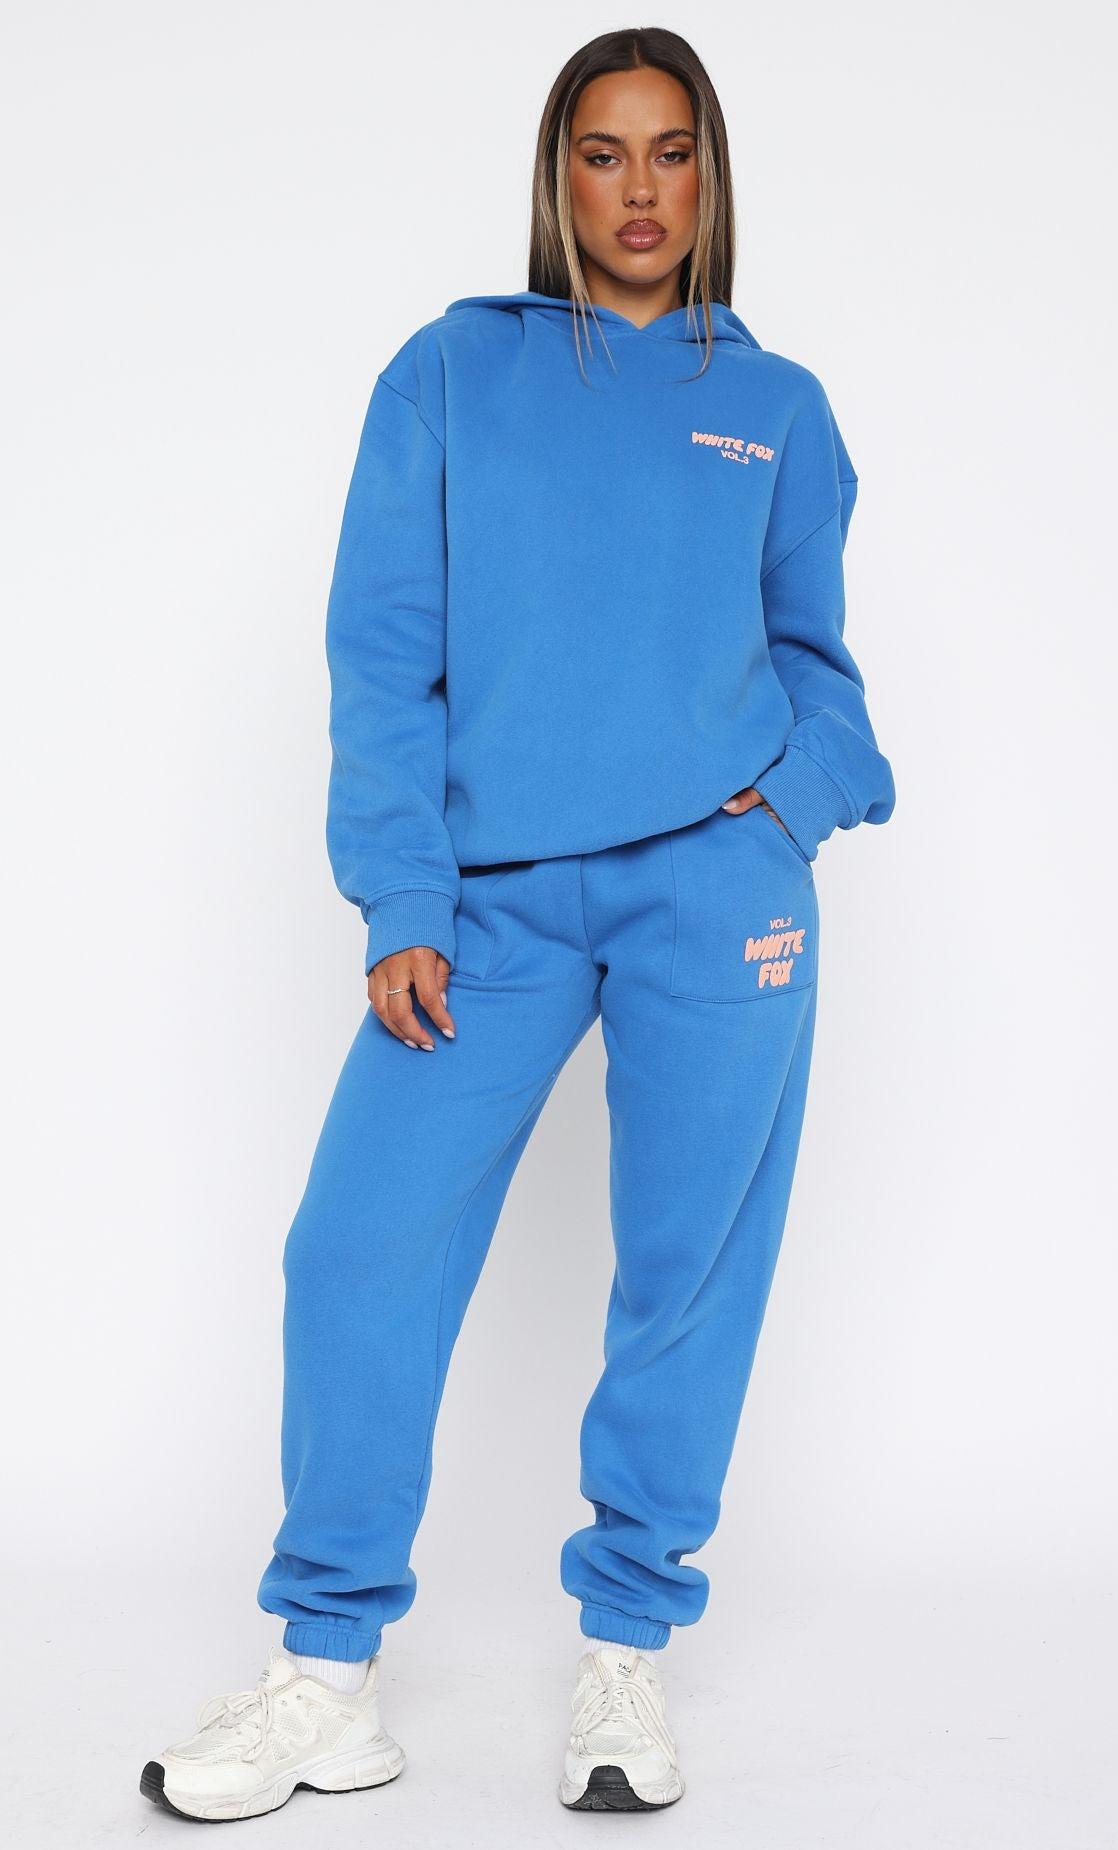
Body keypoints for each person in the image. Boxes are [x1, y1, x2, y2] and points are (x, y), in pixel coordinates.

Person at [139, 25, 896, 1822]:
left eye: (671, 151)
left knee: (686, 1273)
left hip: (717, 896)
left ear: (711, 175)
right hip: (487, 906)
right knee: (357, 1249)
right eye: (603, 152)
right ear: (556, 177)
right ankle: (328, 1672)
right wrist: (404, 889)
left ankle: (625, 1646)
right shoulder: (451, 373)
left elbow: (820, 665)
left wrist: (792, 807)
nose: (639, 189)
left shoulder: (776, 406)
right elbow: (383, 650)